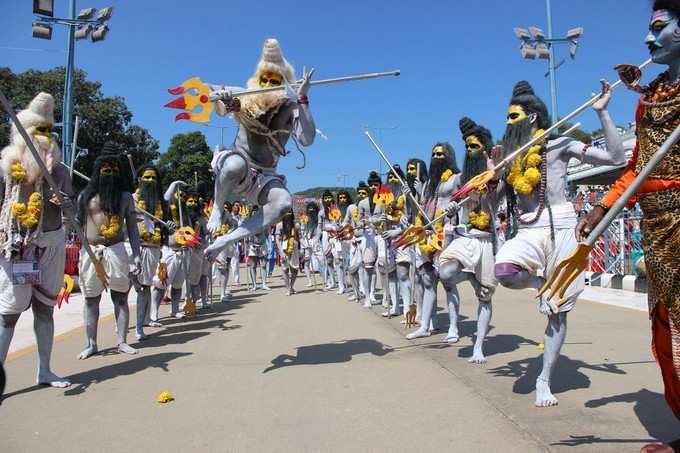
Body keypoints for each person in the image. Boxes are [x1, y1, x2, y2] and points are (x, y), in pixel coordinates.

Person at [575, 2, 680, 448]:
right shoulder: (650, 101)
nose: (647, 39)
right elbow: (637, 167)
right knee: (664, 326)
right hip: (656, 228)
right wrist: (602, 208)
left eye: (658, 28)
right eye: (648, 29)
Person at [493, 79, 623, 406]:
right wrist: (492, 175)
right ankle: (541, 283)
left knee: (558, 312)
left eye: (513, 117)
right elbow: (492, 201)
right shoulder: (511, 158)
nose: (508, 124)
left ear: (533, 118)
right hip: (527, 231)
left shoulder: (560, 144)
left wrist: (603, 113)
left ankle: (543, 379)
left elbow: (616, 158)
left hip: (563, 226)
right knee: (504, 271)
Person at [204, 38, 315, 261]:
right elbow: (210, 94)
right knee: (235, 165)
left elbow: (307, 139)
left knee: (284, 202)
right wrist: (221, 100)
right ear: (258, 78)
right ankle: (218, 207)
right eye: (264, 79)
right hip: (237, 166)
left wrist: (303, 97)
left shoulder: (290, 107)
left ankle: (227, 239)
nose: (267, 83)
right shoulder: (245, 94)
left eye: (273, 80)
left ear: (283, 82)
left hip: (264, 177)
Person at [0, 92, 72, 387]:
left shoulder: (61, 171)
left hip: (52, 243)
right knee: (8, 315)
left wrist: (67, 204)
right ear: (23, 135)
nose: (43, 138)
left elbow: (73, 207)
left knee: (45, 309)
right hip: (16, 247)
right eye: (37, 132)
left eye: (47, 132)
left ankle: (44, 371)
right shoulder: (5, 168)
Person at [438, 117, 499, 359]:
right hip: (464, 237)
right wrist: (451, 209)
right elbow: (443, 194)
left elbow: (497, 198)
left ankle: (478, 347)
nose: (469, 151)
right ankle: (470, 277)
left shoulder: (496, 175)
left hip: (485, 240)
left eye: (474, 146)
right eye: (466, 147)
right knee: (446, 273)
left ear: (484, 147)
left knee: (485, 296)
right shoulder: (459, 179)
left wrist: (494, 174)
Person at [76, 143, 142, 359]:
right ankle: (91, 343)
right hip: (91, 253)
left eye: (114, 169)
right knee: (90, 299)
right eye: (106, 169)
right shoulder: (85, 197)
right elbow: (76, 225)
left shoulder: (125, 198)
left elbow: (132, 228)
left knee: (121, 298)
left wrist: (137, 254)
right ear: (98, 171)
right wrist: (66, 215)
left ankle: (122, 341)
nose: (110, 172)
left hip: (117, 251)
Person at [405, 143, 460, 339]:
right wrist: (416, 195)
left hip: (446, 234)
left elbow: (469, 200)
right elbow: (421, 209)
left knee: (448, 282)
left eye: (440, 154)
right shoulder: (429, 183)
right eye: (434, 154)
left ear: (449, 157)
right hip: (426, 236)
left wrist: (456, 208)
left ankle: (453, 327)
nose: (437, 157)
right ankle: (425, 325)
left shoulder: (455, 179)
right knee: (428, 282)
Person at [131, 164, 170, 340]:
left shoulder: (161, 203)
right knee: (125, 290)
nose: (150, 181)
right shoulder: (131, 199)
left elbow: (166, 227)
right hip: (132, 248)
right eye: (147, 177)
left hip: (152, 249)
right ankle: (122, 327)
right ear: (139, 179)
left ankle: (140, 325)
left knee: (144, 288)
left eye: (154, 178)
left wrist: (168, 226)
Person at [276, 208, 299, 295]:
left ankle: (291, 286)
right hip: (284, 249)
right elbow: (277, 239)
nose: (288, 215)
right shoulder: (279, 225)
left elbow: (299, 238)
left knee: (295, 270)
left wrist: (304, 248)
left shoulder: (296, 225)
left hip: (295, 248)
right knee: (285, 269)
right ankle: (288, 288)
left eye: (289, 213)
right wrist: (281, 252)